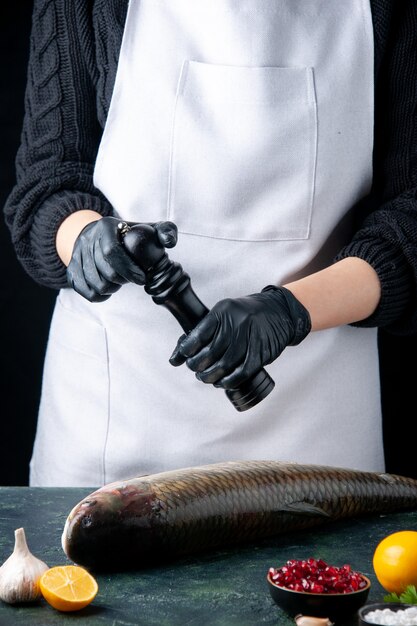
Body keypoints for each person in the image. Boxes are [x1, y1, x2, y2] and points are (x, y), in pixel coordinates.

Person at [3, 0, 417, 487]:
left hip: (316, 421)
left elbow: (409, 214)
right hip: (116, 414)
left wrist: (289, 313)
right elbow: (47, 182)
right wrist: (86, 240)